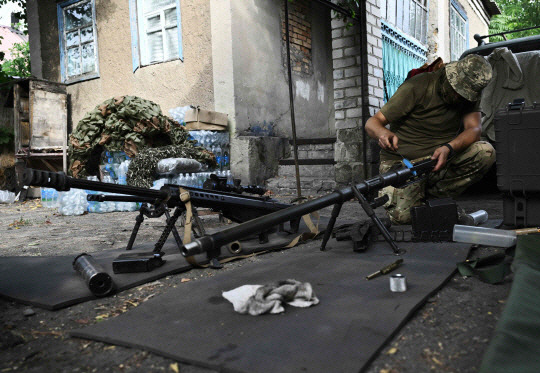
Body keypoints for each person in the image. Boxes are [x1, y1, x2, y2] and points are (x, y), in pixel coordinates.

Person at [365, 54, 495, 225]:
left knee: (485, 152)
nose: (459, 98)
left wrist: (449, 147)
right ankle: (418, 199)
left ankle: (435, 199)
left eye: (464, 95)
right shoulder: (418, 85)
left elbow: (474, 129)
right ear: (450, 76)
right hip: (404, 164)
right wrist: (382, 133)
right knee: (404, 218)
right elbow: (372, 123)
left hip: (439, 161)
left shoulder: (470, 94)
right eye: (456, 91)